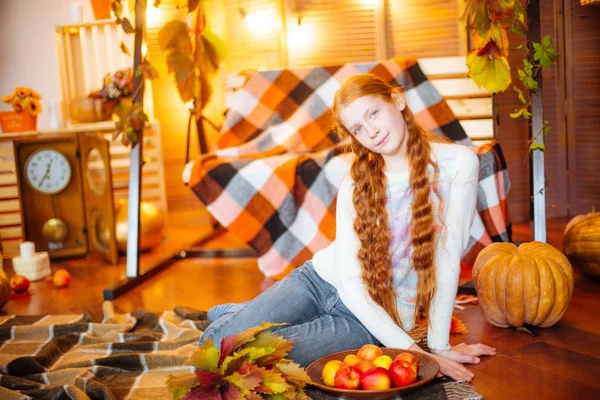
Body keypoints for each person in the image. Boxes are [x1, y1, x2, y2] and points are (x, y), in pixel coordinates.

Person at [199, 73, 495, 382]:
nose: (372, 131)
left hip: (364, 318)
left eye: (373, 113)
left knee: (243, 355)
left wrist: (438, 347)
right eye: (358, 128)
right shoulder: (356, 184)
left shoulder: (459, 163)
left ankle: (241, 314)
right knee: (212, 347)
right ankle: (244, 314)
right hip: (318, 281)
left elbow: (447, 259)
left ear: (397, 100)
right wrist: (420, 353)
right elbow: (352, 283)